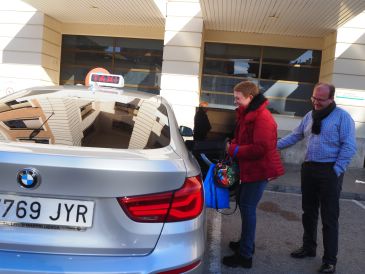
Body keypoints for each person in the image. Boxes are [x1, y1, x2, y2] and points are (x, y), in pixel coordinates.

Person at [277, 82, 357, 273]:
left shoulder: (342, 118)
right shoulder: (309, 115)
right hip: (309, 169)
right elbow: (295, 135)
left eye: (321, 99)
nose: (316, 102)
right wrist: (273, 146)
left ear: (331, 99)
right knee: (308, 212)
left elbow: (349, 147)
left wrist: (336, 170)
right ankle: (308, 247)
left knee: (329, 217)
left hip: (329, 171)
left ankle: (330, 260)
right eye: (314, 98)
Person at [222, 81, 284, 268]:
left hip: (258, 171)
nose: (235, 101)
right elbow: (243, 138)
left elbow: (260, 148)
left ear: (250, 97)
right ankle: (245, 244)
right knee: (244, 206)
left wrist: (233, 149)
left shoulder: (262, 118)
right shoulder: (248, 113)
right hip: (250, 169)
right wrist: (233, 143)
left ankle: (245, 256)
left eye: (238, 98)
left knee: (248, 210)